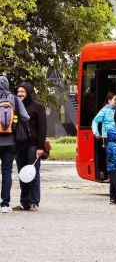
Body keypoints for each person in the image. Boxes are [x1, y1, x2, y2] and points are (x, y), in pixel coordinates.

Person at [13, 82, 47, 212]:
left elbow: (43, 128)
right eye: (18, 92)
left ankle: (34, 202)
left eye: (22, 91)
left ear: (28, 92)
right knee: (23, 174)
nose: (20, 94)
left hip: (33, 146)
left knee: (33, 173)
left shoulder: (38, 107)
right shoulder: (14, 106)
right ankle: (24, 202)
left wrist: (40, 147)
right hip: (19, 145)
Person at [0, 76, 29, 213]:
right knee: (6, 172)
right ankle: (5, 204)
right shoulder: (15, 100)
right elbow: (25, 117)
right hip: (10, 142)